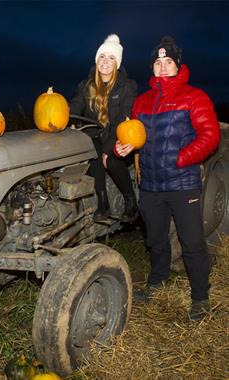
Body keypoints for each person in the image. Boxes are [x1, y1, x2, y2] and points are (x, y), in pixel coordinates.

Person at [115, 36, 221, 321]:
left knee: (192, 242)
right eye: (158, 63)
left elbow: (210, 136)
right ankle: (156, 282)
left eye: (168, 62)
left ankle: (200, 297)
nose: (162, 68)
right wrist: (122, 147)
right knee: (156, 240)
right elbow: (133, 136)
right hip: (150, 184)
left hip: (183, 184)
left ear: (178, 66)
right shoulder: (142, 102)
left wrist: (181, 159)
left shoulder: (194, 97)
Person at [69, 34, 138, 222]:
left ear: (117, 63)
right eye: (102, 56)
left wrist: (109, 147)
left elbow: (123, 120)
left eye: (111, 57)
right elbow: (75, 107)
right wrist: (61, 112)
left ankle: (130, 201)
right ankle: (102, 201)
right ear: (96, 60)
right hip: (94, 140)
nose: (105, 61)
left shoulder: (127, 87)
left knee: (110, 159)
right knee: (91, 148)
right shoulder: (85, 86)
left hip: (119, 137)